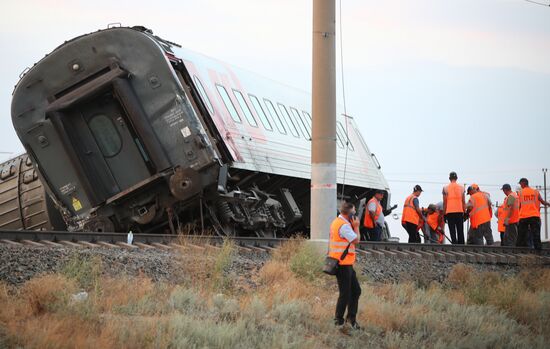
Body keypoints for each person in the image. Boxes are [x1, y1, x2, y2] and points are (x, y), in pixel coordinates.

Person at [329, 201, 361, 329]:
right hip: (343, 265)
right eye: (354, 212)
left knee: (355, 291)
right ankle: (339, 320)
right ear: (350, 214)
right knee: (346, 293)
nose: (356, 215)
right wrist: (357, 226)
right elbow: (356, 240)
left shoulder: (338, 222)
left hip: (345, 264)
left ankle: (350, 319)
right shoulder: (344, 226)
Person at [516, 178, 550, 250]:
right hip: (534, 216)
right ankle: (538, 250)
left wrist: (518, 217)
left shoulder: (520, 192)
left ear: (523, 183)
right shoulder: (535, 191)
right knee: (536, 234)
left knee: (521, 235)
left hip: (524, 216)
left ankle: (519, 249)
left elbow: (519, 206)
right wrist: (549, 204)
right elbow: (543, 202)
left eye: (520, 183)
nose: (520, 185)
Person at [442, 172, 466, 244]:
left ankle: (454, 245)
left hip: (450, 212)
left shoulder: (445, 188)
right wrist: (464, 212)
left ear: (449, 178)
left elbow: (445, 202)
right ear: (457, 178)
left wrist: (444, 214)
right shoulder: (462, 188)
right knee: (460, 230)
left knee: (452, 230)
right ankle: (461, 245)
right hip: (459, 211)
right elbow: (463, 201)